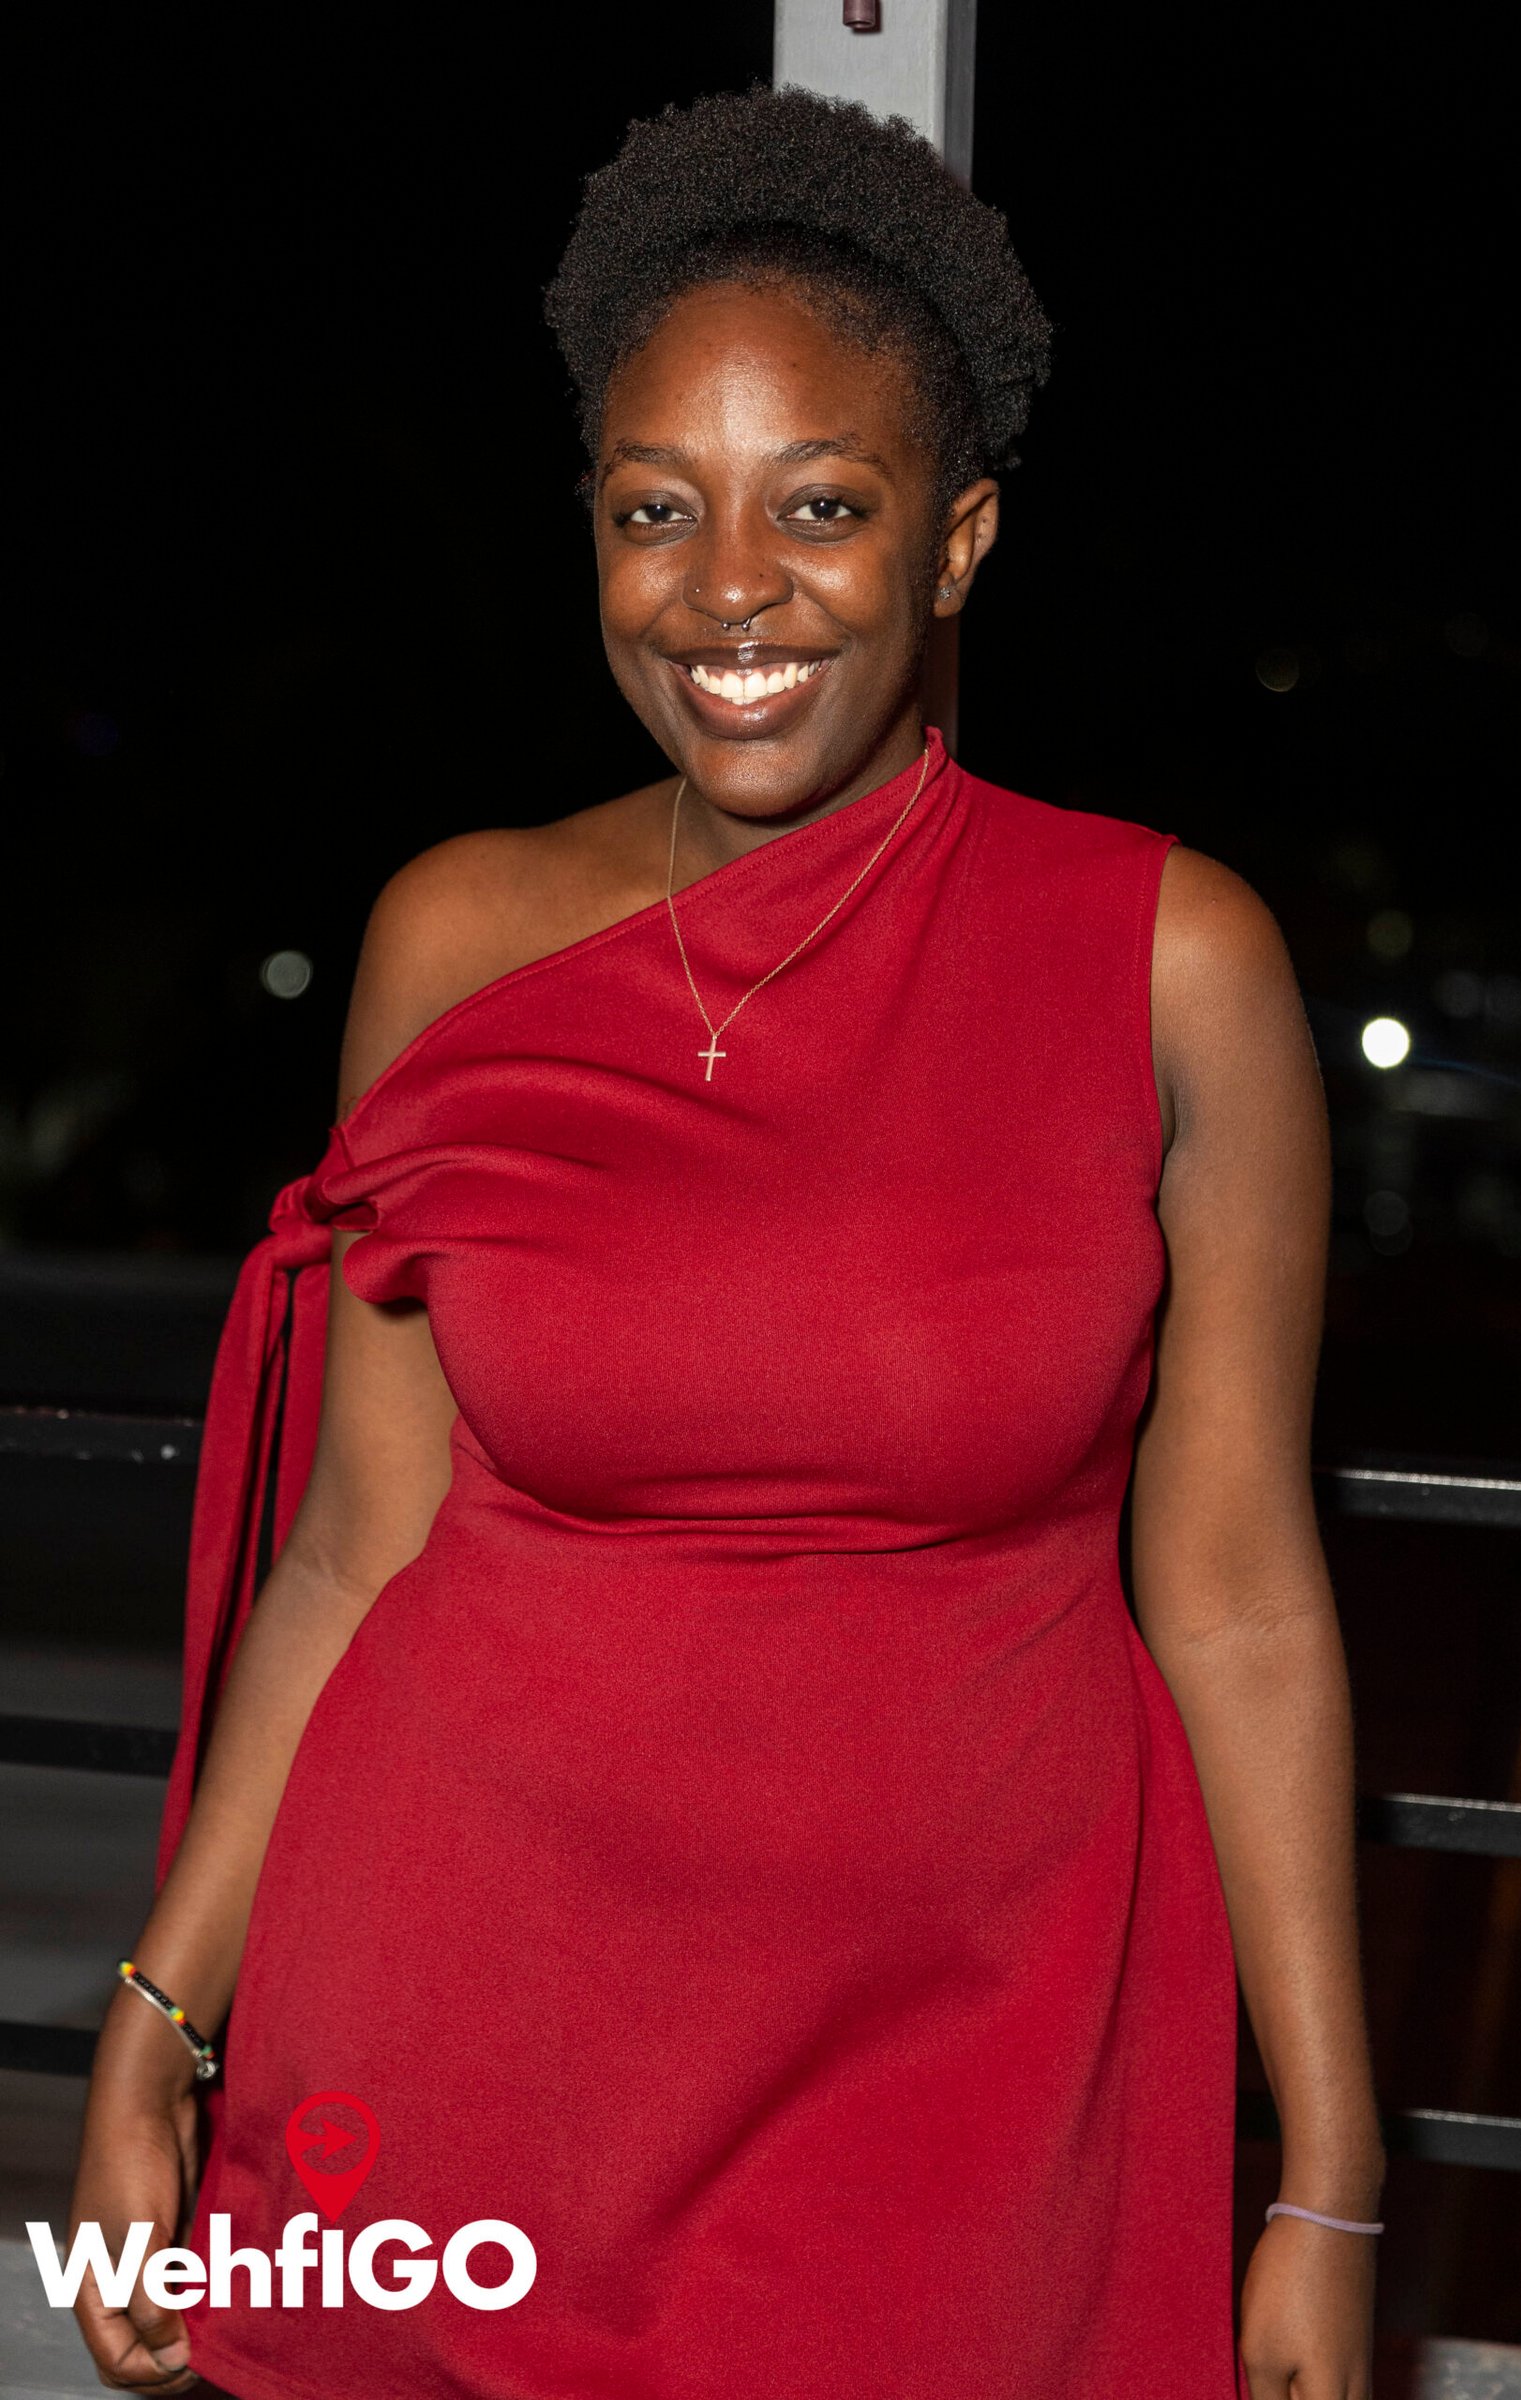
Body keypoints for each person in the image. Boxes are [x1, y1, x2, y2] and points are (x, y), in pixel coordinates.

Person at [68, 83, 1383, 2400]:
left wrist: (1328, 2177)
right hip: (456, 2037)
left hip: (955, 2081)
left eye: (823, 506)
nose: (728, 591)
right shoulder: (453, 935)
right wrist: (154, 2025)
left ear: (956, 543)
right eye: (655, 508)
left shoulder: (1169, 962)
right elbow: (354, 1550)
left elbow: (1238, 1596)